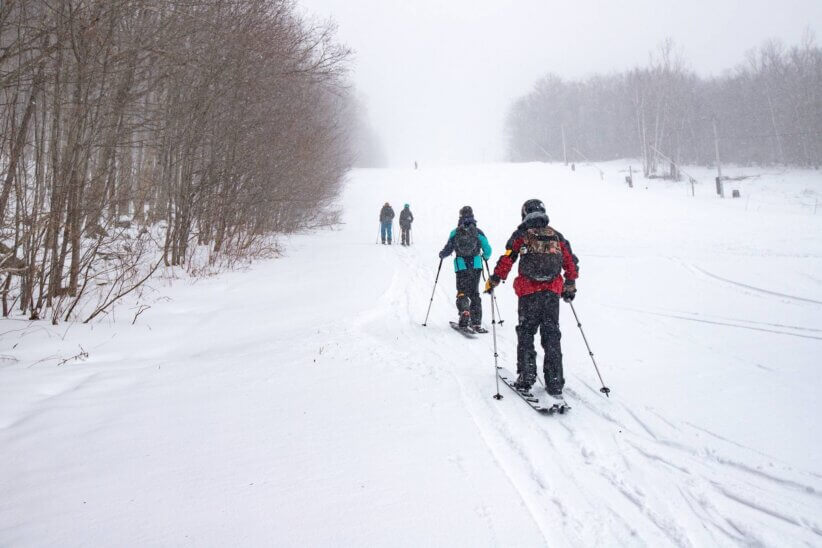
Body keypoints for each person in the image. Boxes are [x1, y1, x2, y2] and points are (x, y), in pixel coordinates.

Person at [485, 199, 579, 399]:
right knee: (551, 333)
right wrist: (569, 284)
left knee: (526, 332)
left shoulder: (521, 234)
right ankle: (555, 381)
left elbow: (508, 258)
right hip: (552, 293)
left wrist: (495, 279)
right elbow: (570, 260)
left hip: (529, 293)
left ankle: (526, 376)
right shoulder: (556, 235)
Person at [438, 206, 492, 332]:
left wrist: (442, 254)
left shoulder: (455, 232)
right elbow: (488, 249)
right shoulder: (478, 232)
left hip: (461, 265)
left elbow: (448, 248)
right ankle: (476, 322)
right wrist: (485, 256)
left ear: (460, 216)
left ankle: (465, 311)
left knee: (462, 291)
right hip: (476, 265)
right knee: (475, 293)